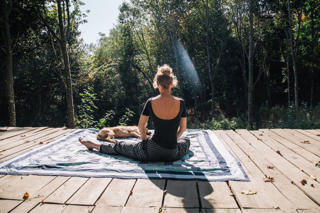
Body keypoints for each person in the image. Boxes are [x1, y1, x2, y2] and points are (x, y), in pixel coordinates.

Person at [79, 64, 190, 161]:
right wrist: (172, 141)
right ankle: (171, 145)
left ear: (157, 84)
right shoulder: (181, 103)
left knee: (122, 146)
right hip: (171, 153)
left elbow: (141, 126)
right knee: (186, 140)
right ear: (171, 84)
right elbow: (183, 128)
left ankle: (93, 145)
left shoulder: (151, 102)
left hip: (151, 152)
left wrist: (144, 141)